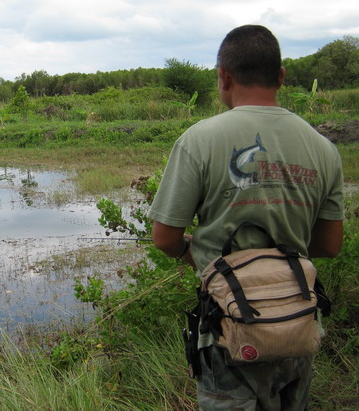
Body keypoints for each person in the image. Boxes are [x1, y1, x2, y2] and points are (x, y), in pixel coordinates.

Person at [147, 25, 344, 410]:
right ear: (282, 77)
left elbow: (165, 238)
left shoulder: (198, 140)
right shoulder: (323, 148)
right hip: (297, 323)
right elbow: (329, 246)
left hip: (229, 325)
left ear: (224, 76)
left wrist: (193, 256)